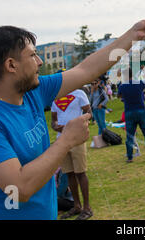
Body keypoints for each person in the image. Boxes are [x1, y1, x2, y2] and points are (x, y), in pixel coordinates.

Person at [0, 20, 145, 220]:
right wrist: (66, 141)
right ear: (11, 65)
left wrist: (133, 35)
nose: (40, 61)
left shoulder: (32, 92)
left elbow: (86, 70)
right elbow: (19, 188)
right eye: (32, 55)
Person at [51, 86, 93, 220]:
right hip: (62, 140)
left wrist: (78, 123)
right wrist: (55, 125)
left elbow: (89, 112)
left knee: (80, 173)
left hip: (76, 139)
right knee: (69, 174)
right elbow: (53, 120)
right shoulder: (55, 99)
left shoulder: (79, 93)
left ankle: (87, 208)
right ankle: (77, 206)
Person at [117, 69, 145, 163]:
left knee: (130, 135)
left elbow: (119, 96)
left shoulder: (122, 86)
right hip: (141, 110)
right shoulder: (138, 83)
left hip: (129, 111)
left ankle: (130, 157)